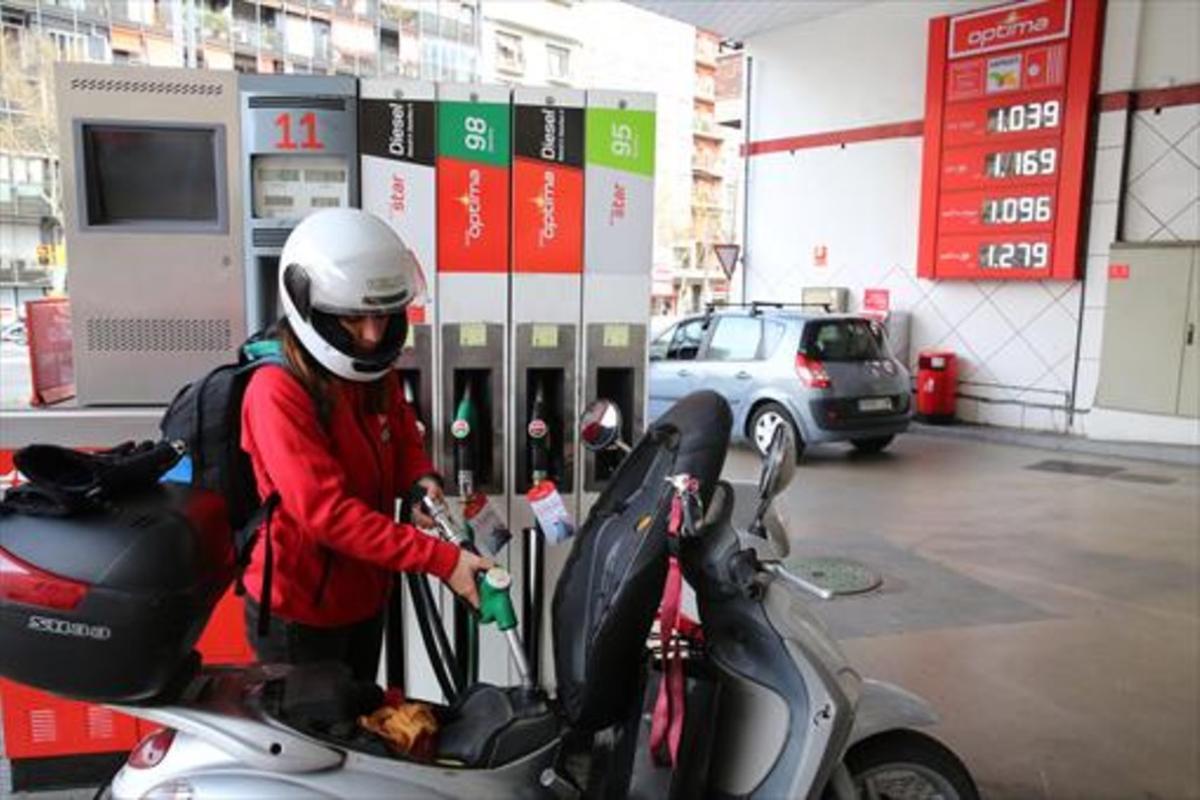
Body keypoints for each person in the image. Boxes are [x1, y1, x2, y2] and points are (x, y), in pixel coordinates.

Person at [239, 208, 491, 682]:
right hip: (300, 614)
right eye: (355, 318)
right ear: (308, 304)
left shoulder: (372, 371)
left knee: (358, 730)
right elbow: (326, 514)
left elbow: (400, 435)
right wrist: (441, 559)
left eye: (383, 315)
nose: (374, 335)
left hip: (363, 595)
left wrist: (421, 482)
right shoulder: (277, 392)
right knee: (315, 748)